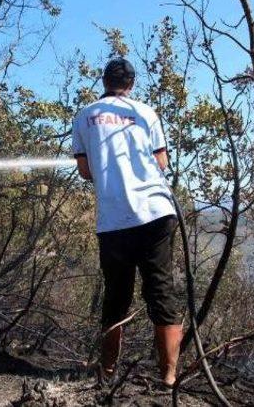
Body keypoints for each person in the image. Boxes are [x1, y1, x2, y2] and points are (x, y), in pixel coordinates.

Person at [71, 57, 183, 387]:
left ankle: (107, 373)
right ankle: (169, 375)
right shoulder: (145, 112)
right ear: (131, 85)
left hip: (115, 221)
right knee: (161, 292)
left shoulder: (84, 116)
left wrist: (110, 174)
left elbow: (85, 171)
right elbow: (161, 161)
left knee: (116, 298)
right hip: (156, 213)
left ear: (103, 82)